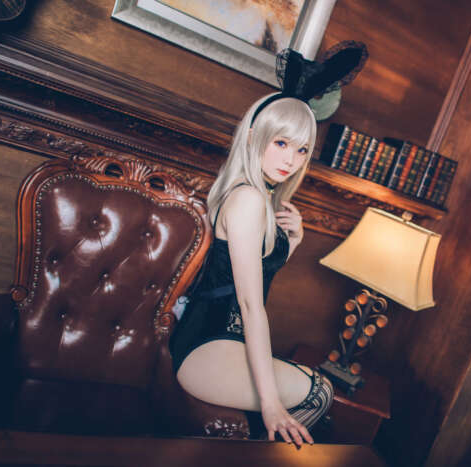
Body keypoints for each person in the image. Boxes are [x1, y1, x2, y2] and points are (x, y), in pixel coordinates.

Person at [168, 41, 368, 447]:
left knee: (318, 389)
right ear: (253, 137)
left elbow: (248, 274)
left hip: (226, 339)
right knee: (319, 393)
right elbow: (249, 304)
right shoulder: (247, 199)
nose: (291, 160)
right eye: (280, 143)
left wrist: (293, 240)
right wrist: (271, 404)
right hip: (206, 343)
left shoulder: (256, 197)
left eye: (301, 149)